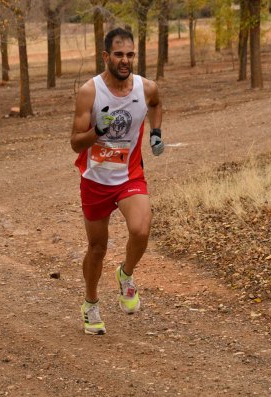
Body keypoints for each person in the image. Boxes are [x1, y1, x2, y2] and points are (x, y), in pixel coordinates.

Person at [70, 27, 165, 335]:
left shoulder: (146, 87)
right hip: (95, 180)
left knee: (140, 228)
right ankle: (91, 303)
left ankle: (126, 274)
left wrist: (156, 133)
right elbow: (75, 143)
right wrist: (96, 130)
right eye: (119, 55)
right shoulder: (90, 92)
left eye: (130, 55)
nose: (125, 61)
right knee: (97, 248)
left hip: (129, 175)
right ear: (106, 56)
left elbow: (155, 104)